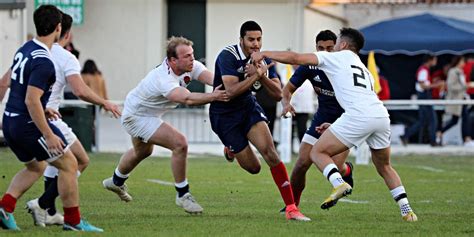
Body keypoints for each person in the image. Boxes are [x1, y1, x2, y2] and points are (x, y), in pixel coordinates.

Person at [251, 27, 418, 222]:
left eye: (335, 44)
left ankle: (340, 183)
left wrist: (264, 53)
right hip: (379, 115)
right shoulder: (363, 68)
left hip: (353, 118)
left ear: (343, 45)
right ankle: (407, 210)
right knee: (384, 166)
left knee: (318, 154)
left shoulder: (336, 58)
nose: (328, 50)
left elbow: (295, 57)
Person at [0, 13, 121, 227]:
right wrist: (48, 133)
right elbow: (33, 99)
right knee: (70, 164)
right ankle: (71, 220)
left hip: (12, 119)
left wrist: (42, 108)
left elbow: (10, 85)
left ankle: (8, 207)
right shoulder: (46, 60)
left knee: (37, 167)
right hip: (31, 123)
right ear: (59, 28)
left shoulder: (25, 49)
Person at [102, 36, 228, 214]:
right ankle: (183, 195)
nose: (192, 59)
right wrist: (214, 96)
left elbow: (217, 82)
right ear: (172, 60)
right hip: (136, 116)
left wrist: (243, 81)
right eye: (186, 56)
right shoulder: (163, 78)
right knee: (180, 143)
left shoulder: (191, 66)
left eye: (192, 54)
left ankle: (115, 181)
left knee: (143, 151)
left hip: (143, 111)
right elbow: (187, 98)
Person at [209, 20, 310, 221]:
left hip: (248, 108)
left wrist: (261, 75)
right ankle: (231, 149)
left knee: (270, 153)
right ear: (241, 40)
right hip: (225, 116)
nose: (256, 44)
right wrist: (255, 77)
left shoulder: (263, 60)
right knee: (254, 168)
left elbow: (277, 93)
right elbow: (229, 92)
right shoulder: (228, 56)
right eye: (251, 39)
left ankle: (291, 208)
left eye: (259, 39)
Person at [278, 30, 353, 213]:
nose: (325, 52)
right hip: (321, 119)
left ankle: (347, 171)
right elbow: (287, 90)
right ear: (316, 48)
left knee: (335, 167)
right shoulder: (310, 66)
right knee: (301, 164)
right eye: (320, 48)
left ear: (336, 47)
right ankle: (293, 205)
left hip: (345, 120)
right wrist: (286, 104)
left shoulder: (347, 67)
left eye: (329, 48)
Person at [400, 54, 442, 146]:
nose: (436, 62)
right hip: (424, 96)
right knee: (432, 120)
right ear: (430, 60)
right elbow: (423, 85)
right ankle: (433, 141)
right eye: (434, 60)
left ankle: (406, 135)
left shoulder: (424, 70)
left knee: (423, 121)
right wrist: (435, 85)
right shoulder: (423, 70)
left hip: (424, 96)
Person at [439, 56, 474, 146]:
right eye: (462, 61)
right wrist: (466, 86)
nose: (464, 63)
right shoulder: (453, 71)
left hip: (461, 99)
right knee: (461, 119)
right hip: (456, 100)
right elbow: (451, 86)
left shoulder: (460, 72)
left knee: (457, 120)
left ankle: (440, 132)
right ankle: (466, 139)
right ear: (458, 62)